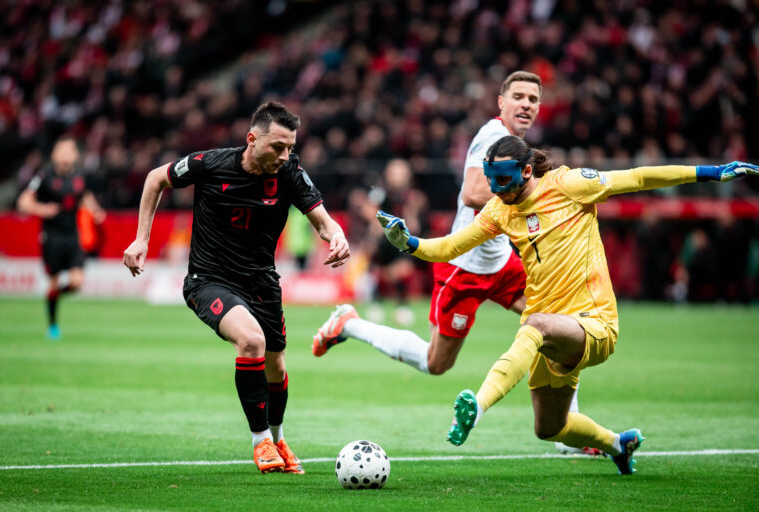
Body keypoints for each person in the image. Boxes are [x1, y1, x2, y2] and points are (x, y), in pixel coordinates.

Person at [376, 134, 758, 475]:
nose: (495, 189)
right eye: (490, 180)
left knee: (534, 325)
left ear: (527, 171)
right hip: (552, 331)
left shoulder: (570, 184)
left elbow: (639, 177)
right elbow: (450, 247)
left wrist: (711, 172)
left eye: (503, 180)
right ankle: (617, 444)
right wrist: (408, 243)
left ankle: (477, 405)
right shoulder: (499, 209)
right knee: (550, 428)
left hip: (594, 323)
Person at [313, 71, 596, 455]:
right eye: (519, 97)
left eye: (533, 98)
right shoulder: (491, 136)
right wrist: (532, 193)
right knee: (436, 362)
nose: (526, 104)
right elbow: (472, 192)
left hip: (501, 264)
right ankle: (350, 324)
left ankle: (566, 432)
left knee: (554, 326)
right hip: (464, 266)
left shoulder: (515, 144)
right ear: (501, 102)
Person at [122, 101, 350, 474]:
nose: (285, 154)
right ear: (252, 139)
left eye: (291, 146)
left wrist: (336, 236)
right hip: (209, 280)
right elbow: (154, 179)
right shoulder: (210, 164)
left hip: (261, 281)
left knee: (276, 366)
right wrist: (141, 239)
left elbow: (323, 221)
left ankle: (277, 438)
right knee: (251, 341)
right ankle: (260, 440)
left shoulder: (290, 173)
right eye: (278, 146)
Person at [17, 135, 105, 340]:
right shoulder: (44, 176)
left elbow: (84, 197)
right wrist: (42, 209)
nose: (65, 154)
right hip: (52, 237)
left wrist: (96, 211)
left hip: (72, 235)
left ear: (75, 155)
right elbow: (23, 202)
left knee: (76, 282)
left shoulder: (80, 176)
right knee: (55, 281)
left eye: (69, 150)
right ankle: (53, 323)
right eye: (61, 150)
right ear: (55, 154)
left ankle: (53, 296)